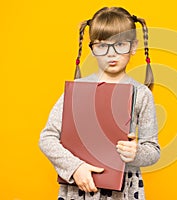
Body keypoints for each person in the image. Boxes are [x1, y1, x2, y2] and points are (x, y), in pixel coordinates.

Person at [39, 7, 160, 200]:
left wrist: (136, 153)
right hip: (78, 188)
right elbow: (47, 138)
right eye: (102, 46)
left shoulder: (142, 94)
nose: (111, 54)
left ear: (134, 46)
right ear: (92, 48)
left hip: (123, 192)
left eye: (120, 44)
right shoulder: (76, 90)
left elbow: (153, 150)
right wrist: (75, 168)